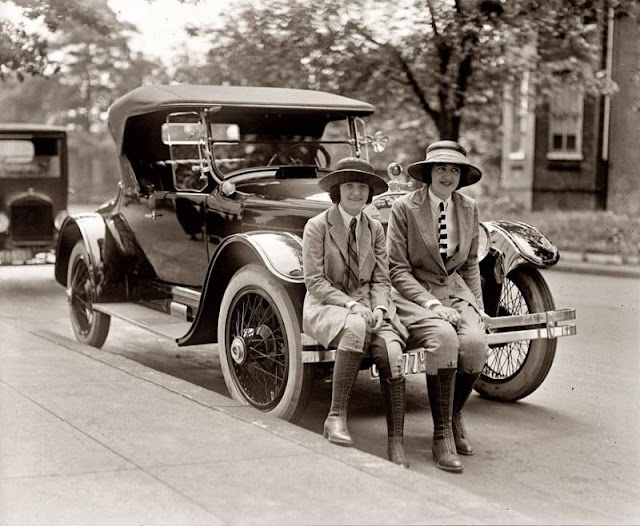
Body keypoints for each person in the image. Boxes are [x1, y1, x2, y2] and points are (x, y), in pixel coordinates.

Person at [386, 140, 491, 473]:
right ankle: (441, 434)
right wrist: (430, 303)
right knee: (444, 339)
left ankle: (454, 415)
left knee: (475, 344)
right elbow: (396, 270)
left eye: (454, 170)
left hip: (455, 291)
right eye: (441, 168)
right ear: (429, 173)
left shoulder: (469, 207)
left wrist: (478, 306)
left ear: (461, 175)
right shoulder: (405, 207)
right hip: (414, 293)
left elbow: (470, 264)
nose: (448, 176)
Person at [303, 157, 410, 467]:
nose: (356, 193)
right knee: (354, 327)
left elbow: (381, 279)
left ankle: (396, 441)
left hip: (367, 307)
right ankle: (335, 416)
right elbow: (314, 281)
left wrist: (379, 307)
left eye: (362, 187)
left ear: (369, 193)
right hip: (327, 305)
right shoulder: (317, 226)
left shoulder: (374, 228)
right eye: (349, 186)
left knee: (391, 351)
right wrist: (351, 305)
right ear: (337, 190)